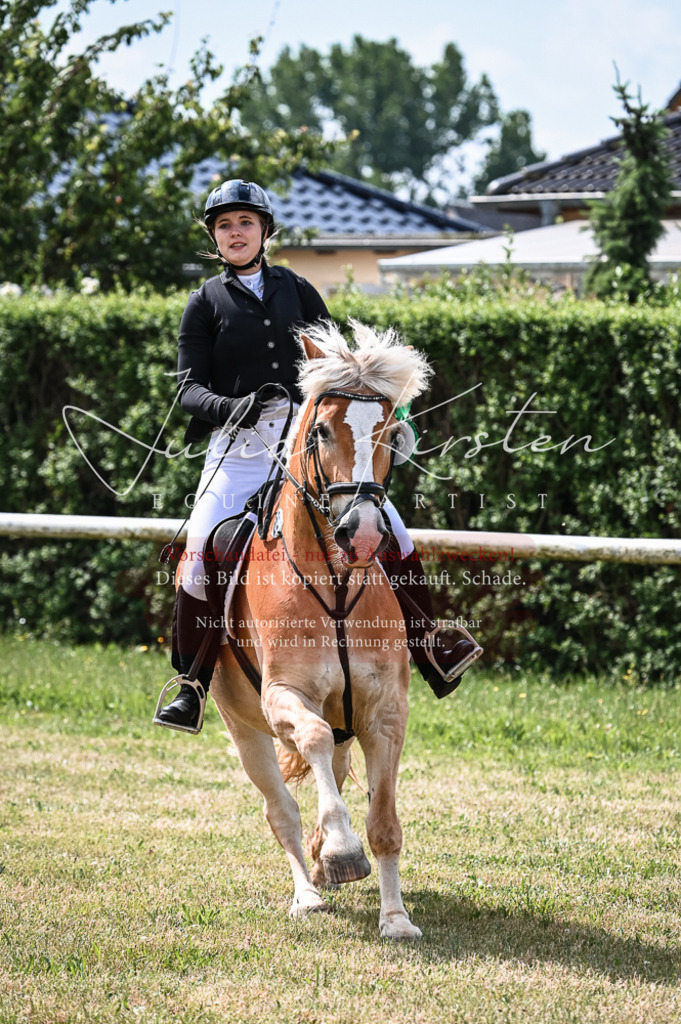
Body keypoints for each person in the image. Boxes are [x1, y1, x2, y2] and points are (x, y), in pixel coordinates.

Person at [155, 178, 481, 734]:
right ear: (215, 237)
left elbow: (347, 368)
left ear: (264, 231)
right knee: (201, 552)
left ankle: (432, 646)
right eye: (225, 226)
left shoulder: (297, 289)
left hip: (312, 439)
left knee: (394, 534)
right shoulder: (203, 302)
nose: (236, 233)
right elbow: (187, 389)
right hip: (239, 449)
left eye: (245, 223)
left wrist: (395, 421)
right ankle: (191, 683)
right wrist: (235, 406)